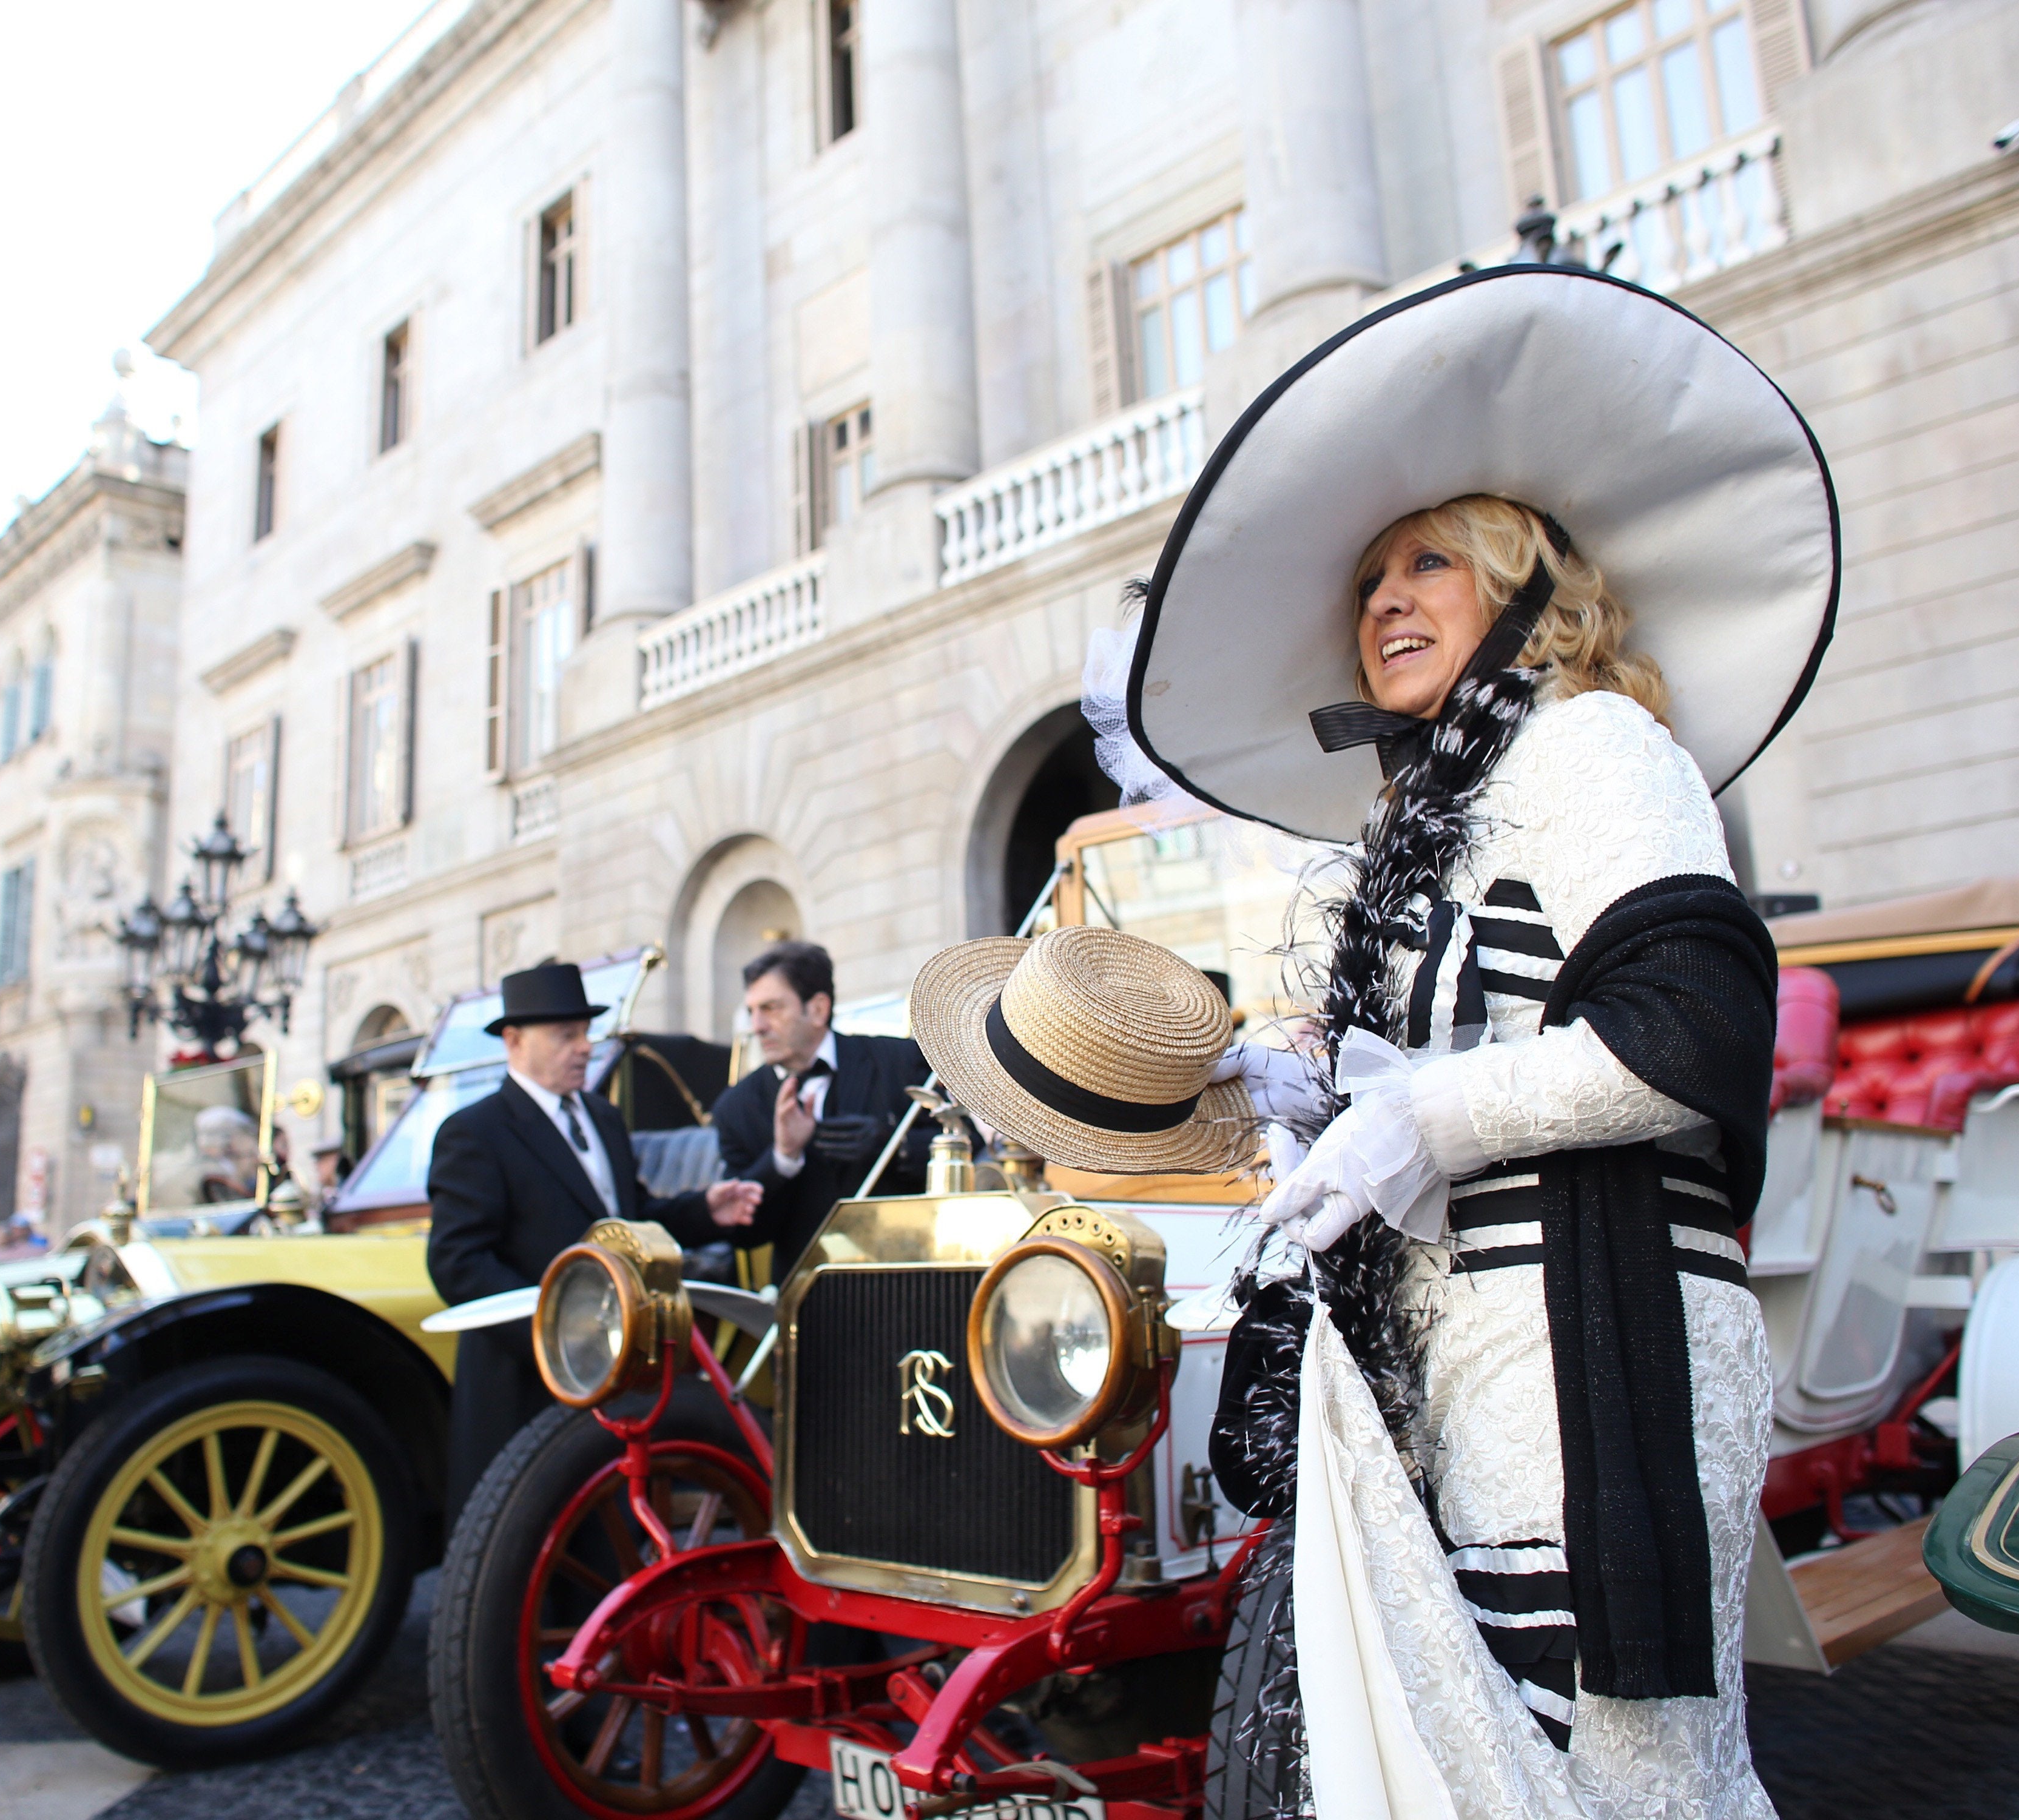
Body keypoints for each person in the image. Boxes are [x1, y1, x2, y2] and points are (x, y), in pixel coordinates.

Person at [972, 267, 1835, 1814]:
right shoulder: (1428, 814)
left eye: (1424, 560)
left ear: (1524, 582)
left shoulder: (1590, 742)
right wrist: (1296, 1092)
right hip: (1463, 1355)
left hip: (1588, 1350)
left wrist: (1420, 1124)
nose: (1378, 600)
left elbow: (1687, 1027)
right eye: (1366, 578)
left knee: (1606, 1779)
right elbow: (1456, 1058)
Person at [426, 962, 763, 1523]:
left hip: (609, 1372)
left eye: (586, 1033)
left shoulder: (604, 1119)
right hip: (523, 1385)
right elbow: (457, 1263)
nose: (585, 1048)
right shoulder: (476, 1131)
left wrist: (707, 1209)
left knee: (602, 1536)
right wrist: (558, 1332)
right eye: (566, 1036)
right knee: (528, 1549)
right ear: (514, 1041)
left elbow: (632, 1219)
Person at [707, 942, 928, 1269]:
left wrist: (898, 1146)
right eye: (752, 1011)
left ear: (818, 1009)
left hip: (908, 1279)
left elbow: (969, 1145)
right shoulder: (736, 1108)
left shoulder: (900, 1061)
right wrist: (782, 1159)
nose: (757, 1026)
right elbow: (744, 1235)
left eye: (771, 1008)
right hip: (806, 1297)